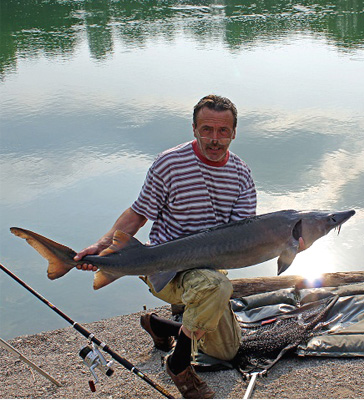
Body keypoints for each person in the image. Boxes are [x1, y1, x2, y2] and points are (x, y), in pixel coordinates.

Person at [74, 95, 303, 398]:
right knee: (217, 286)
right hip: (162, 266)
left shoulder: (241, 174)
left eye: (223, 131)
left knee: (227, 351)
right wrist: (103, 246)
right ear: (193, 128)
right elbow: (138, 214)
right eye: (206, 129)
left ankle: (159, 326)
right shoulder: (169, 163)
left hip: (209, 271)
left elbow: (243, 239)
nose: (215, 139)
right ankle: (179, 364)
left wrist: (288, 246)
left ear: (234, 132)